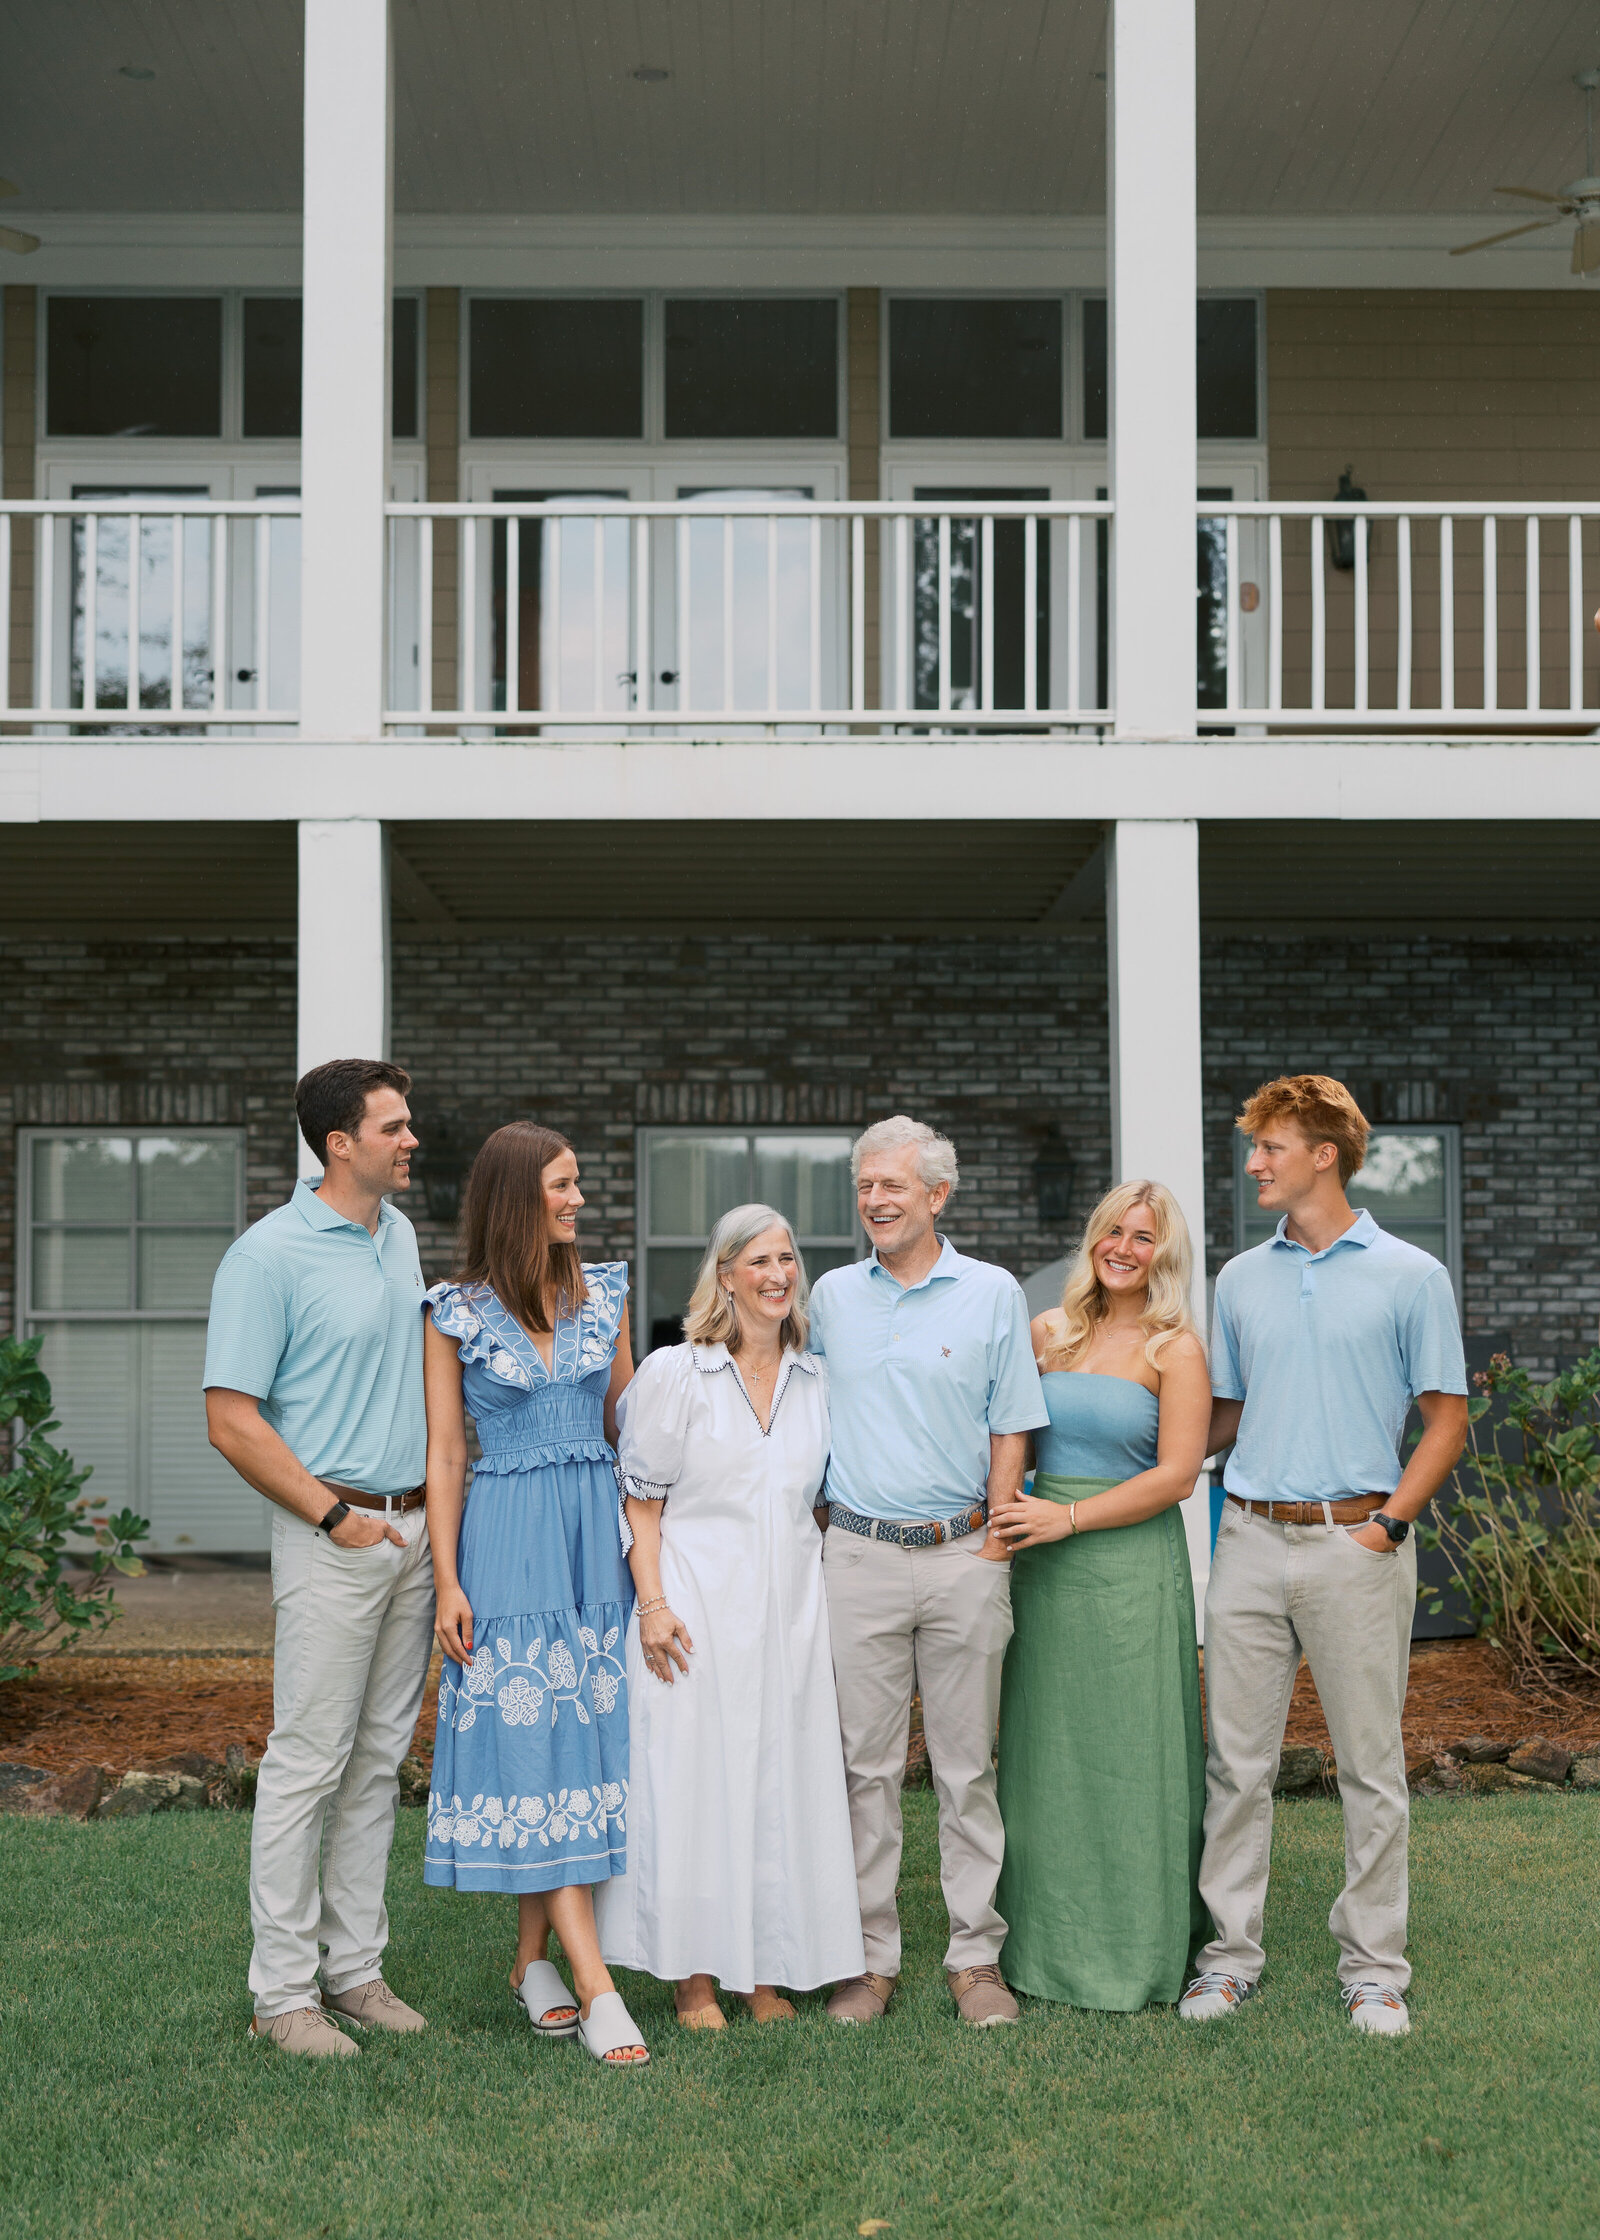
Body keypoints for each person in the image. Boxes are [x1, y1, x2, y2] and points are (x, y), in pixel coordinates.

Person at [1181, 1075, 1468, 2038]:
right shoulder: (1238, 1278)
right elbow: (1219, 1414)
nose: (1254, 1162)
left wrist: (1387, 1524)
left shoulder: (1410, 1275)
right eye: (1255, 1147)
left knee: (1371, 1767)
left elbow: (1445, 1421)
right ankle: (1227, 1957)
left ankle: (1375, 1968)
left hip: (1358, 1543)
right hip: (1249, 1538)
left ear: (1324, 1155)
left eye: (1270, 1147)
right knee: (1236, 1765)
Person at [204, 1058, 435, 2060]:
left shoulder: (401, 1234)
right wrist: (335, 1514)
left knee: (379, 1762)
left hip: (415, 1534)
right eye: (393, 1125)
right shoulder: (267, 1256)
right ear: (340, 1143)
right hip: (334, 1536)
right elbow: (230, 1418)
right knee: (308, 1763)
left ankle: (354, 1968)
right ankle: (282, 1991)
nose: (411, 1137)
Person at [595, 1205, 864, 2024]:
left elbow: (817, 1503)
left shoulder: (818, 1379)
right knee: (694, 1788)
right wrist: (652, 1606)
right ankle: (695, 1977)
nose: (779, 1275)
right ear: (725, 1276)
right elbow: (640, 1501)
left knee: (778, 1785)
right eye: (759, 1262)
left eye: (788, 1259)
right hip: (692, 1608)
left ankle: (768, 1974)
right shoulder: (677, 1374)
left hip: (789, 1613)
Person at [810, 1115, 1049, 2028]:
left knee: (965, 1771)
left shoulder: (991, 1294)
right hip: (859, 1555)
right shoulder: (830, 1295)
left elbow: (1011, 1420)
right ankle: (870, 1963)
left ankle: (975, 1959)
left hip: (962, 1556)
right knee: (863, 1771)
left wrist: (992, 1538)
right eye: (866, 1186)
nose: (874, 1200)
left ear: (937, 1196)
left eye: (892, 1187)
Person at [423, 1122, 648, 2068]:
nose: (579, 1201)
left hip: (594, 1539)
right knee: (533, 1740)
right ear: (519, 1194)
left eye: (580, 1185)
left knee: (581, 1743)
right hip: (508, 1542)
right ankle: (596, 1986)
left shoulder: (605, 1298)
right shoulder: (454, 1311)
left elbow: (635, 1427)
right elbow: (444, 1452)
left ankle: (530, 1963)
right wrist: (446, 1580)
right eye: (563, 1185)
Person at [990, 1180, 1212, 2010]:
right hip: (1042, 1571)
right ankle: (1040, 1942)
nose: (1124, 1248)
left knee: (1131, 1755)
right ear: (1092, 1241)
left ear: (1166, 1254)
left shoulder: (1174, 1348)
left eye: (1144, 1237)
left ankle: (1136, 1942)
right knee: (1047, 1756)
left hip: (1127, 1567)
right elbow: (1006, 1436)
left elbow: (1178, 1476)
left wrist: (1069, 1519)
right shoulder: (1047, 1332)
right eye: (1113, 1232)